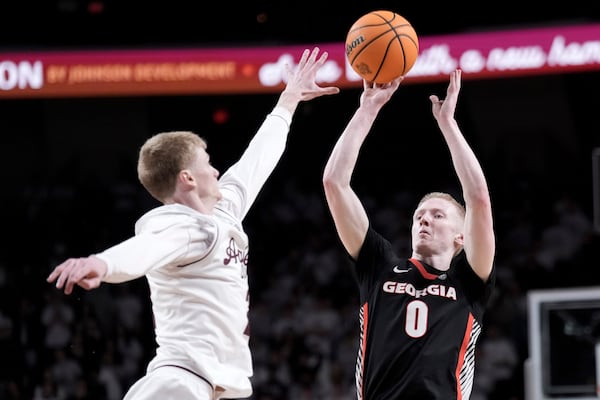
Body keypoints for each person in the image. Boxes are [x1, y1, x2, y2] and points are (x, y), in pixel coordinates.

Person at [46, 47, 339, 400]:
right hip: (179, 382)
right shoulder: (182, 226)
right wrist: (102, 263)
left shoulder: (223, 210)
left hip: (211, 386)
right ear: (187, 178)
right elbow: (146, 249)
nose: (216, 170)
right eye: (208, 163)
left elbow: (258, 160)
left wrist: (288, 102)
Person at [322, 69, 496, 399]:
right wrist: (368, 109)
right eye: (419, 216)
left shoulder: (470, 280)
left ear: (462, 236)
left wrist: (449, 125)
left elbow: (478, 198)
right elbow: (334, 183)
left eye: (437, 215)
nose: (423, 220)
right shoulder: (379, 266)